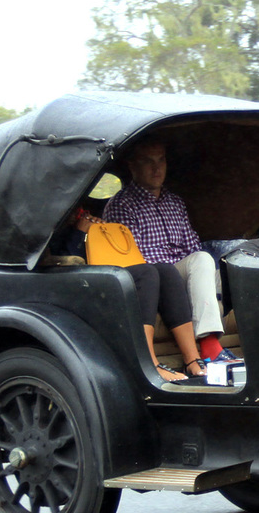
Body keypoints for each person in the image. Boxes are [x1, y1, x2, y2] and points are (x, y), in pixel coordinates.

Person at [103, 139, 238, 367]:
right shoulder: (122, 205)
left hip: (183, 272)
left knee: (220, 263)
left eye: (161, 160)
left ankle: (223, 344)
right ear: (132, 166)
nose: (157, 169)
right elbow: (137, 259)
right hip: (155, 277)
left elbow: (192, 246)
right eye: (148, 162)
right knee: (187, 265)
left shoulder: (174, 203)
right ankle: (208, 347)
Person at [50, 209, 205, 384]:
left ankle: (192, 359)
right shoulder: (49, 226)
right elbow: (61, 259)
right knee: (145, 273)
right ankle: (149, 363)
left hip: (108, 272)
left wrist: (100, 232)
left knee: (166, 270)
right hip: (83, 284)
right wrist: (79, 232)